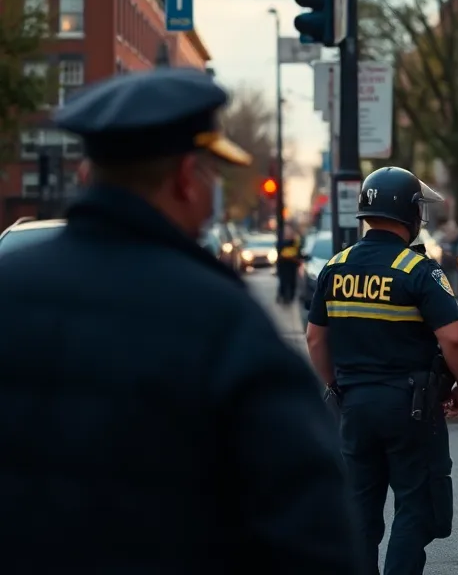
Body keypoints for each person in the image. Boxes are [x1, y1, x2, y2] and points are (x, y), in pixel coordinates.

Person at [0, 68, 361, 573]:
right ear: (187, 179)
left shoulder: (11, 284)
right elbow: (312, 532)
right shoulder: (223, 321)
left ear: (86, 177)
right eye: (212, 177)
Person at [306, 166, 458, 575]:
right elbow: (454, 340)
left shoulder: (336, 266)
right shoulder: (417, 270)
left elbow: (314, 339)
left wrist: (337, 385)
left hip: (354, 407)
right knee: (415, 508)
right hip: (409, 407)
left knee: (360, 511)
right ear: (410, 213)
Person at [277, 225, 303, 304]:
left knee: (292, 282)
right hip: (283, 264)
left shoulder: (296, 242)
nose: (289, 234)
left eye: (290, 232)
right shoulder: (282, 242)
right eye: (287, 232)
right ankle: (282, 295)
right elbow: (280, 253)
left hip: (292, 265)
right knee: (283, 281)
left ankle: (290, 297)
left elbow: (298, 252)